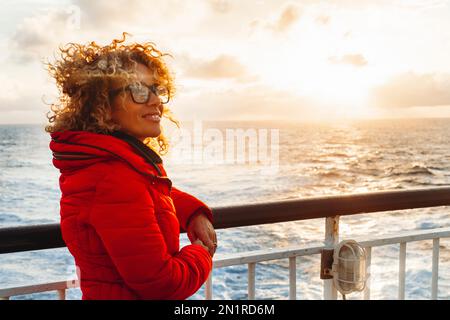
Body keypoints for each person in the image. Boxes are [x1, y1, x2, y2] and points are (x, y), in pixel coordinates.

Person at [46, 33, 217, 300]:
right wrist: (201, 252)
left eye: (156, 90)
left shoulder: (110, 165)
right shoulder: (112, 178)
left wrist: (193, 211)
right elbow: (162, 284)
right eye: (138, 91)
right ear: (103, 105)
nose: (155, 101)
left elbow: (147, 194)